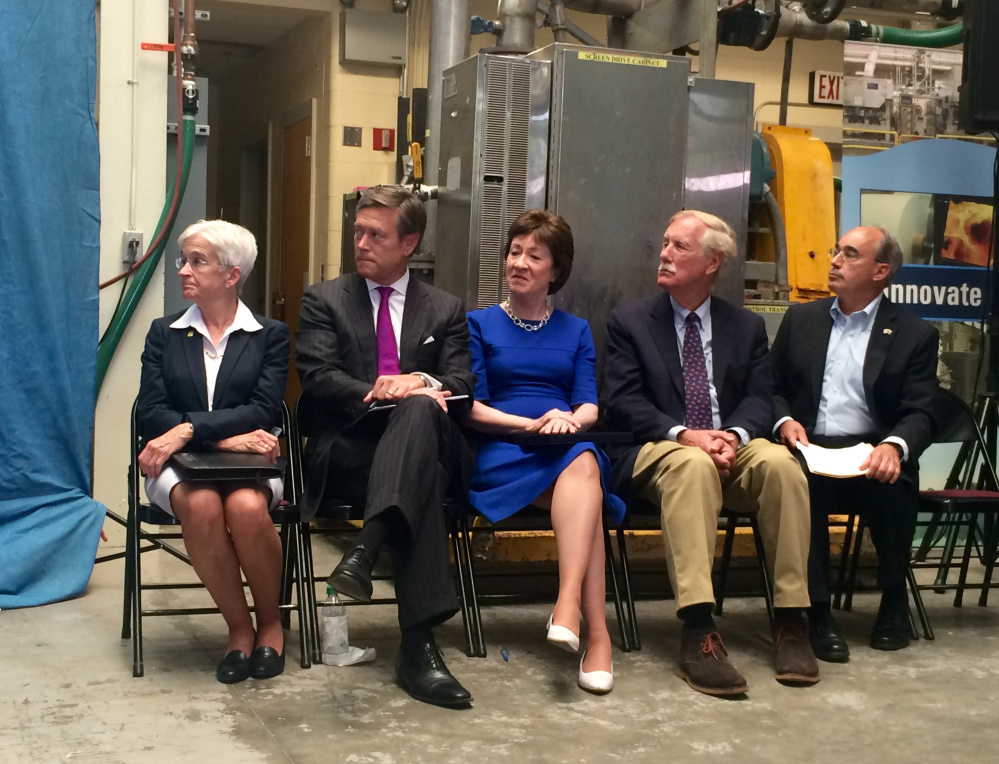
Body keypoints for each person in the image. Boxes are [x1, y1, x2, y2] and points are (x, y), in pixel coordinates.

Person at [604, 210, 817, 697]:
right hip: (658, 450)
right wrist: (687, 435)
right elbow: (623, 401)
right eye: (664, 243)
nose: (664, 254)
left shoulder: (744, 326)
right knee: (694, 464)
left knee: (783, 465)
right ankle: (699, 628)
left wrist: (735, 436)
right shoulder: (630, 322)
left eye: (679, 246)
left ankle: (789, 619)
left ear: (712, 261)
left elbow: (760, 398)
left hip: (729, 445)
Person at [295, 185, 475, 709]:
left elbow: (462, 382)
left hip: (424, 444)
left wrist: (415, 380)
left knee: (420, 408)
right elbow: (318, 376)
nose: (362, 243)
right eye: (358, 232)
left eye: (377, 234)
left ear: (410, 243)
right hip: (352, 450)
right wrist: (379, 388)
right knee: (425, 479)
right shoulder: (324, 298)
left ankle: (363, 551)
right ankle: (419, 649)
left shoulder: (444, 308)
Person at [464, 210, 625, 695]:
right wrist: (532, 424)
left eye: (534, 256)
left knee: (581, 460)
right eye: (514, 252)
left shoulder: (575, 330)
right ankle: (595, 634)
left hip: (564, 444)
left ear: (556, 271)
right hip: (503, 447)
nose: (519, 262)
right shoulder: (478, 323)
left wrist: (570, 422)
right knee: (587, 497)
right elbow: (469, 406)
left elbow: (589, 404)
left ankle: (570, 606)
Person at [770, 225, 939, 661]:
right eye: (835, 251)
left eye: (849, 254)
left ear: (881, 271)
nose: (834, 261)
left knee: (895, 482)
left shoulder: (914, 334)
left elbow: (921, 410)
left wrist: (895, 445)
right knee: (796, 488)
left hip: (870, 449)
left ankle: (893, 602)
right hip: (809, 446)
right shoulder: (802, 319)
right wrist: (785, 421)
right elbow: (769, 387)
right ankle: (819, 614)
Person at [137, 220, 291, 685]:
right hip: (179, 466)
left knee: (245, 507)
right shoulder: (164, 333)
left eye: (196, 262)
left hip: (251, 462)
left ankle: (270, 625)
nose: (183, 270)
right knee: (201, 504)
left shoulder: (270, 334)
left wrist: (187, 428)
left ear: (231, 275)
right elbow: (151, 412)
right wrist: (215, 436)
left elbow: (264, 409)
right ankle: (239, 629)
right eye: (184, 260)